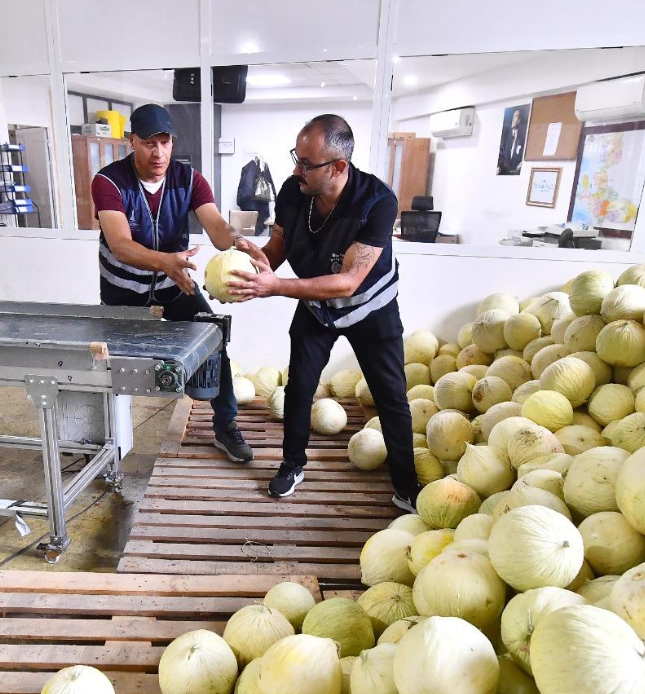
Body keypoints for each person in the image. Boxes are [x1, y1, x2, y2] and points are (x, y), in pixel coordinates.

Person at [226, 114, 418, 510]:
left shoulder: (377, 202)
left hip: (371, 309)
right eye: (296, 157)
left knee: (391, 398)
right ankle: (292, 463)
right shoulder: (294, 192)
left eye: (306, 163)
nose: (296, 169)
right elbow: (279, 245)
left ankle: (406, 486)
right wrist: (255, 266)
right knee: (299, 386)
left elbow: (349, 281)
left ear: (338, 167)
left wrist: (275, 288)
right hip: (316, 305)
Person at [93, 103, 269, 463]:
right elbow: (121, 245)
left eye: (165, 142)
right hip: (122, 292)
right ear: (132, 142)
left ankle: (225, 425)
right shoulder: (109, 181)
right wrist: (165, 262)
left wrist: (239, 242)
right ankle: (104, 439)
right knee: (108, 367)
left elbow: (217, 227)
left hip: (176, 286)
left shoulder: (189, 180)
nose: (158, 153)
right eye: (148, 143)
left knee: (214, 339)